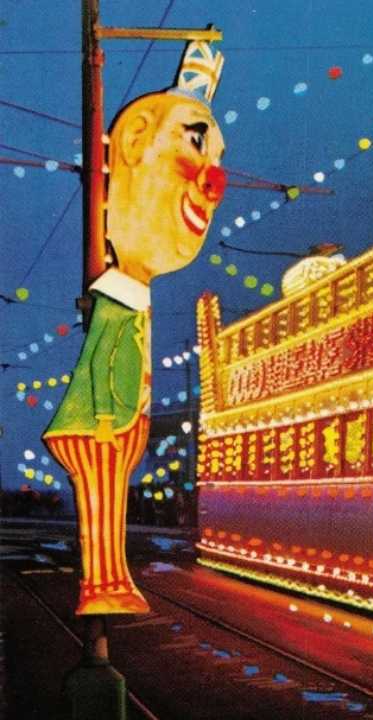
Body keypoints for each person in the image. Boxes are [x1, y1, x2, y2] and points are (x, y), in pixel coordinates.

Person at [42, 40, 227, 616]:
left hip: (117, 417)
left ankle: (109, 579)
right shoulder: (119, 299)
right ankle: (102, 583)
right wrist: (106, 412)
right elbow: (106, 356)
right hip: (102, 421)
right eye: (195, 141)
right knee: (103, 492)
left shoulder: (133, 297)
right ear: (134, 139)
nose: (214, 180)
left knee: (110, 493)